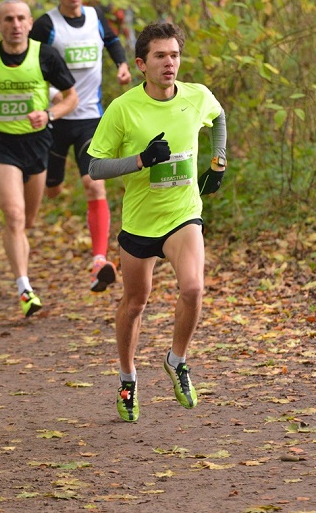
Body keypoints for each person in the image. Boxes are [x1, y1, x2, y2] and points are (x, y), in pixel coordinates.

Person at [87, 22, 227, 422]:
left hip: (183, 214)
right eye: (161, 56)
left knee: (194, 288)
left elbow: (218, 118)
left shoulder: (196, 96)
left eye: (175, 55)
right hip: (140, 222)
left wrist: (218, 159)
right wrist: (140, 161)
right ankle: (127, 378)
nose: (170, 63)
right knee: (135, 303)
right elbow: (95, 166)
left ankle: (176, 360)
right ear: (141, 64)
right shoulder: (123, 108)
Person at [0, 0, 78, 317]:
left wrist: (48, 114)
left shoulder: (46, 55)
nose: (15, 25)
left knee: (27, 222)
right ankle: (24, 288)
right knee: (14, 214)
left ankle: (17, 254)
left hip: (37, 143)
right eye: (8, 19)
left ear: (30, 23)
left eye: (21, 18)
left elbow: (71, 98)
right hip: (0, 143)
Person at [30, 0, 132, 292]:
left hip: (91, 117)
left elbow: (112, 40)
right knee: (54, 188)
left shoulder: (94, 16)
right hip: (57, 118)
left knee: (94, 184)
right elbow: (30, 63)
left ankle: (99, 260)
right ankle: (51, 190)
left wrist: (121, 65)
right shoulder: (47, 24)